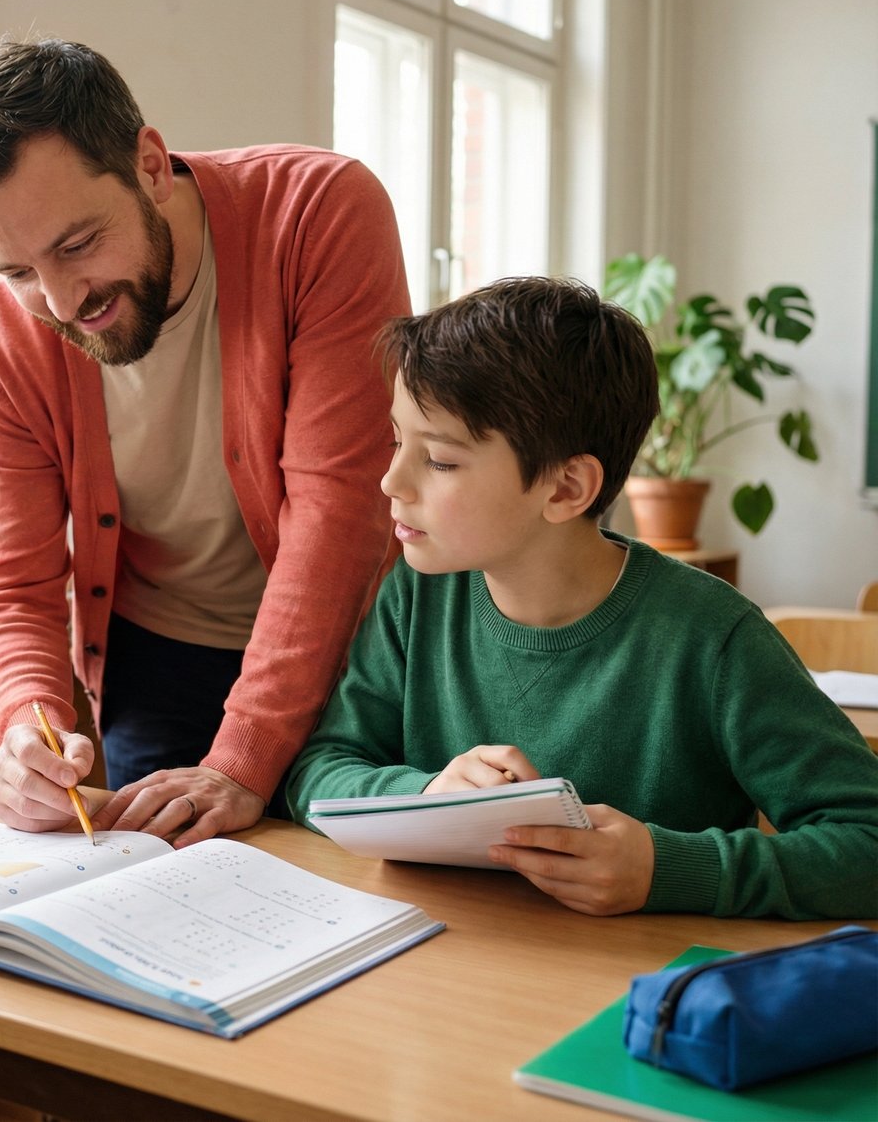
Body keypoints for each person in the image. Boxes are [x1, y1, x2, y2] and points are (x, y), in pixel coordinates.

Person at [0, 36, 408, 845]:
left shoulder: (320, 211)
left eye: (76, 245)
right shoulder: (2, 337)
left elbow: (341, 513)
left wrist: (244, 760)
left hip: (360, 642)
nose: (59, 299)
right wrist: (27, 730)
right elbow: (12, 581)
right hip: (165, 656)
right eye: (15, 270)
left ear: (150, 164)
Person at [285, 275, 878, 918]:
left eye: (441, 460)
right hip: (452, 970)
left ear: (567, 489)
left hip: (633, 991)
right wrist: (426, 794)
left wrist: (666, 868)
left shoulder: (714, 639)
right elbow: (319, 771)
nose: (389, 479)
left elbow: (866, 841)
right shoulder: (416, 600)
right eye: (398, 441)